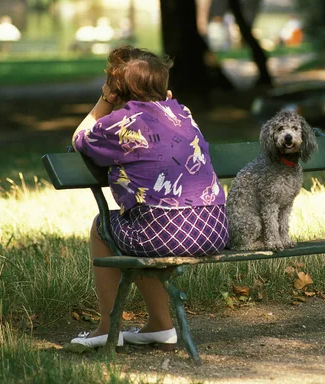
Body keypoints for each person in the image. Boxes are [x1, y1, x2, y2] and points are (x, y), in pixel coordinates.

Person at [70, 45, 229, 348]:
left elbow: (80, 137)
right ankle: (159, 325)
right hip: (214, 228)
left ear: (117, 91)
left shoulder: (121, 124)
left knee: (103, 228)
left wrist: (105, 100)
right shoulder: (182, 113)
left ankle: (107, 329)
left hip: (165, 232)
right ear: (163, 86)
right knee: (141, 225)